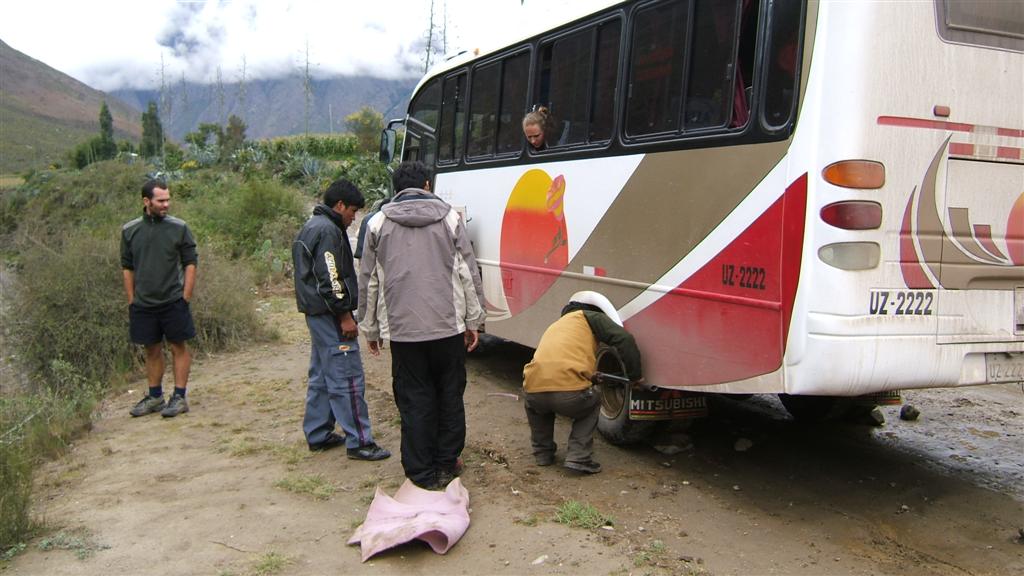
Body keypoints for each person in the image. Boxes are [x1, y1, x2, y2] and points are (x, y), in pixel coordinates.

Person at [357, 160, 485, 490]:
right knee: (450, 396)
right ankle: (446, 464)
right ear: (427, 185)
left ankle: (420, 473)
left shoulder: (377, 223)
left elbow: (369, 280)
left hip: (403, 333)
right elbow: (467, 273)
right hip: (448, 329)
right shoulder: (450, 218)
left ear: (396, 189)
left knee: (414, 400)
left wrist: (370, 329)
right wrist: (474, 320)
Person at [292, 179, 390, 461]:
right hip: (331, 316)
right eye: (352, 211)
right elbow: (331, 278)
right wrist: (345, 315)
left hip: (317, 314)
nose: (353, 218)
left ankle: (319, 433)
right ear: (339, 206)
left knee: (322, 374)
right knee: (347, 376)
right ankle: (359, 441)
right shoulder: (328, 231)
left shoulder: (313, 226)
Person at [522, 292, 643, 474]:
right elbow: (624, 339)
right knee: (592, 403)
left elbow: (559, 363)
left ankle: (543, 454)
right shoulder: (590, 316)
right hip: (568, 396)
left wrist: (591, 377)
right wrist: (635, 376)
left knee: (539, 408)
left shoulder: (558, 325)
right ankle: (579, 458)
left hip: (533, 389)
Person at [122, 179, 198, 418]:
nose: (166, 204)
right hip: (143, 304)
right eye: (161, 200)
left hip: (173, 301)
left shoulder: (179, 228)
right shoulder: (130, 231)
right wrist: (132, 298)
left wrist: (185, 296)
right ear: (146, 201)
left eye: (168, 199)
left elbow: (190, 262)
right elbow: (127, 266)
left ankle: (179, 397)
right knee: (151, 348)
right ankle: (155, 396)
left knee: (178, 346)